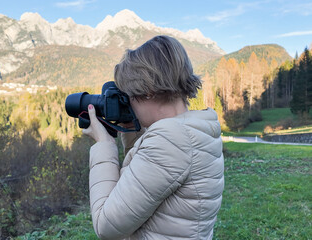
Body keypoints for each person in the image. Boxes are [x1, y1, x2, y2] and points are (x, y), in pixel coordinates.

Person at [82, 35, 224, 240]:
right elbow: (143, 186)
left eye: (130, 96)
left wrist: (104, 145)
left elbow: (107, 226)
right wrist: (132, 131)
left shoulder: (170, 140)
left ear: (147, 91)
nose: (129, 103)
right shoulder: (196, 130)